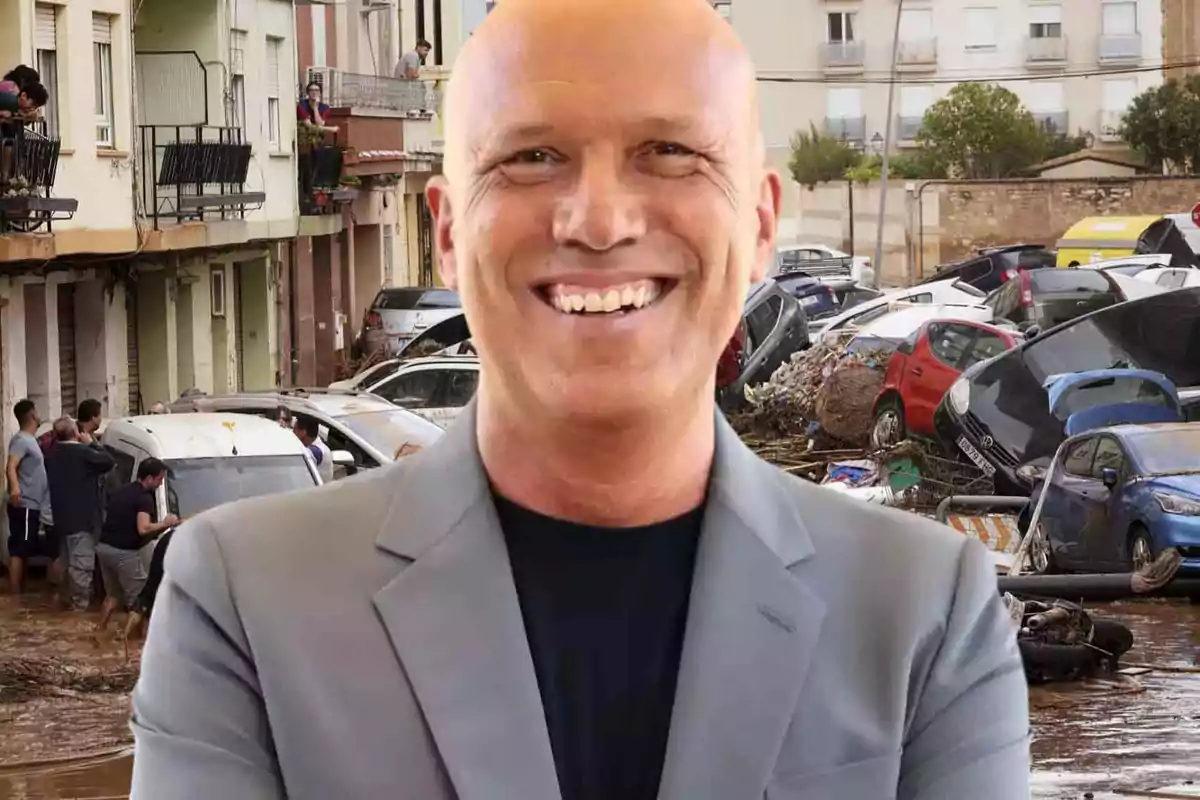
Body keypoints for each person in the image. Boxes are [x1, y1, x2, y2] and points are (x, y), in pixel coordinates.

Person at [130, 1, 1030, 798]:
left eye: (670, 153)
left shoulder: (924, 612)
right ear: (447, 231)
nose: (599, 220)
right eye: (532, 157)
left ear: (759, 225)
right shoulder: (246, 603)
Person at [97, 458, 178, 631]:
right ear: (149, 478)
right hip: (123, 554)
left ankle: (99, 632)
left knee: (112, 596)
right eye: (159, 479)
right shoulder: (144, 498)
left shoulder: (124, 490)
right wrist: (166, 523)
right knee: (140, 602)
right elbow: (143, 528)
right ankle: (131, 641)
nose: (160, 483)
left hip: (104, 548)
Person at [46, 416, 115, 611]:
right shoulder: (83, 452)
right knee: (81, 568)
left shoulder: (53, 454)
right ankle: (79, 612)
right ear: (75, 432)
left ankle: (66, 605)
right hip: (83, 521)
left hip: (61, 520)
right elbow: (109, 461)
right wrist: (92, 443)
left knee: (68, 565)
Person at [5, 399, 49, 594]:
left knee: (24, 551)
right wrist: (15, 488)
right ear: (32, 414)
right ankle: (15, 596)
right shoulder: (22, 440)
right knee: (19, 551)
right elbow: (11, 465)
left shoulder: (30, 440)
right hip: (24, 503)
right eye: (37, 411)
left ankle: (21, 596)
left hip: (32, 504)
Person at [293, 416, 333, 483]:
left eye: (295, 429)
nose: (292, 432)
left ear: (303, 432)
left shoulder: (318, 450)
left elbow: (305, 454)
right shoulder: (314, 445)